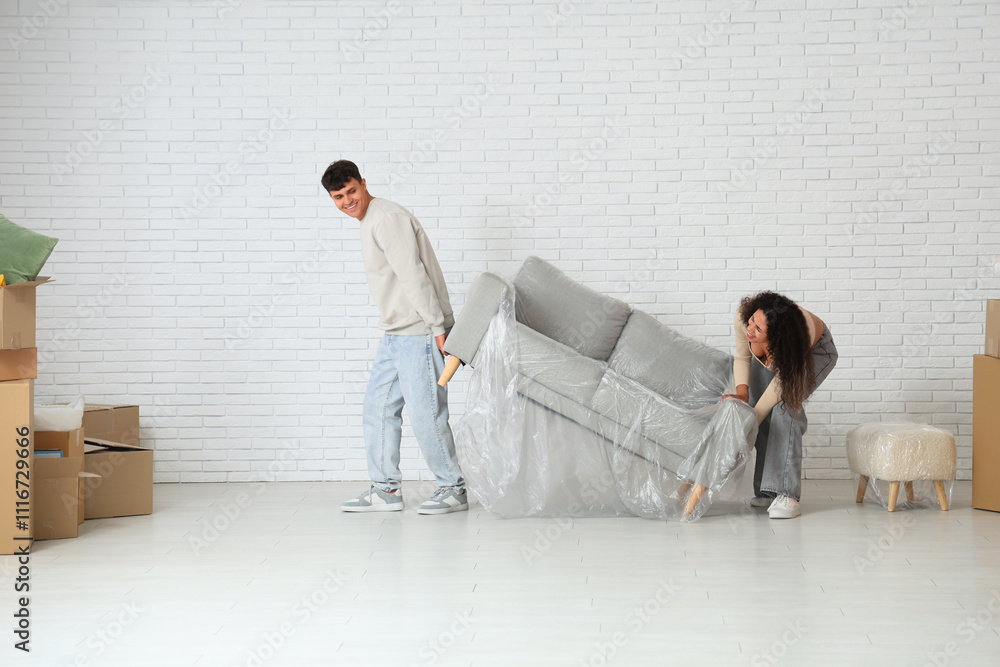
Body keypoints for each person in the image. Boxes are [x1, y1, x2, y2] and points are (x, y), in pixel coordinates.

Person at [321, 160, 467, 514]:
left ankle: (453, 488)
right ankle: (386, 489)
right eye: (338, 196)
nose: (347, 201)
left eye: (351, 191)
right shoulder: (369, 220)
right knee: (378, 407)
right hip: (395, 333)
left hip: (418, 331)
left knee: (426, 413)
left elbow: (413, 276)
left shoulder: (386, 218)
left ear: (363, 183)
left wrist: (438, 328)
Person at [721, 291, 838, 519]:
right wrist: (742, 392)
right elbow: (743, 356)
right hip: (779, 352)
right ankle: (767, 491)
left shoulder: (795, 341)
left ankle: (787, 494)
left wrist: (751, 422)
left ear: (776, 338)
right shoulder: (744, 318)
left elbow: (778, 390)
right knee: (756, 408)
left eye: (758, 329)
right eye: (752, 321)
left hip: (813, 352)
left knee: (785, 408)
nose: (750, 329)